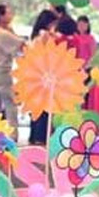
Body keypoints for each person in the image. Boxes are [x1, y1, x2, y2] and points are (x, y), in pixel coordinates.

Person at [0, 4, 25, 140]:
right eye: (8, 13)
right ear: (1, 16)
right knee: (10, 103)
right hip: (2, 73)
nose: (11, 15)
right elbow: (22, 45)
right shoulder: (3, 33)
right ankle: (12, 135)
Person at [28, 10, 58, 145]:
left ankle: (34, 136)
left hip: (33, 75)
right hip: (43, 74)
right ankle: (41, 137)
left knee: (35, 107)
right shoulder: (45, 35)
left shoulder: (34, 36)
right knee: (44, 107)